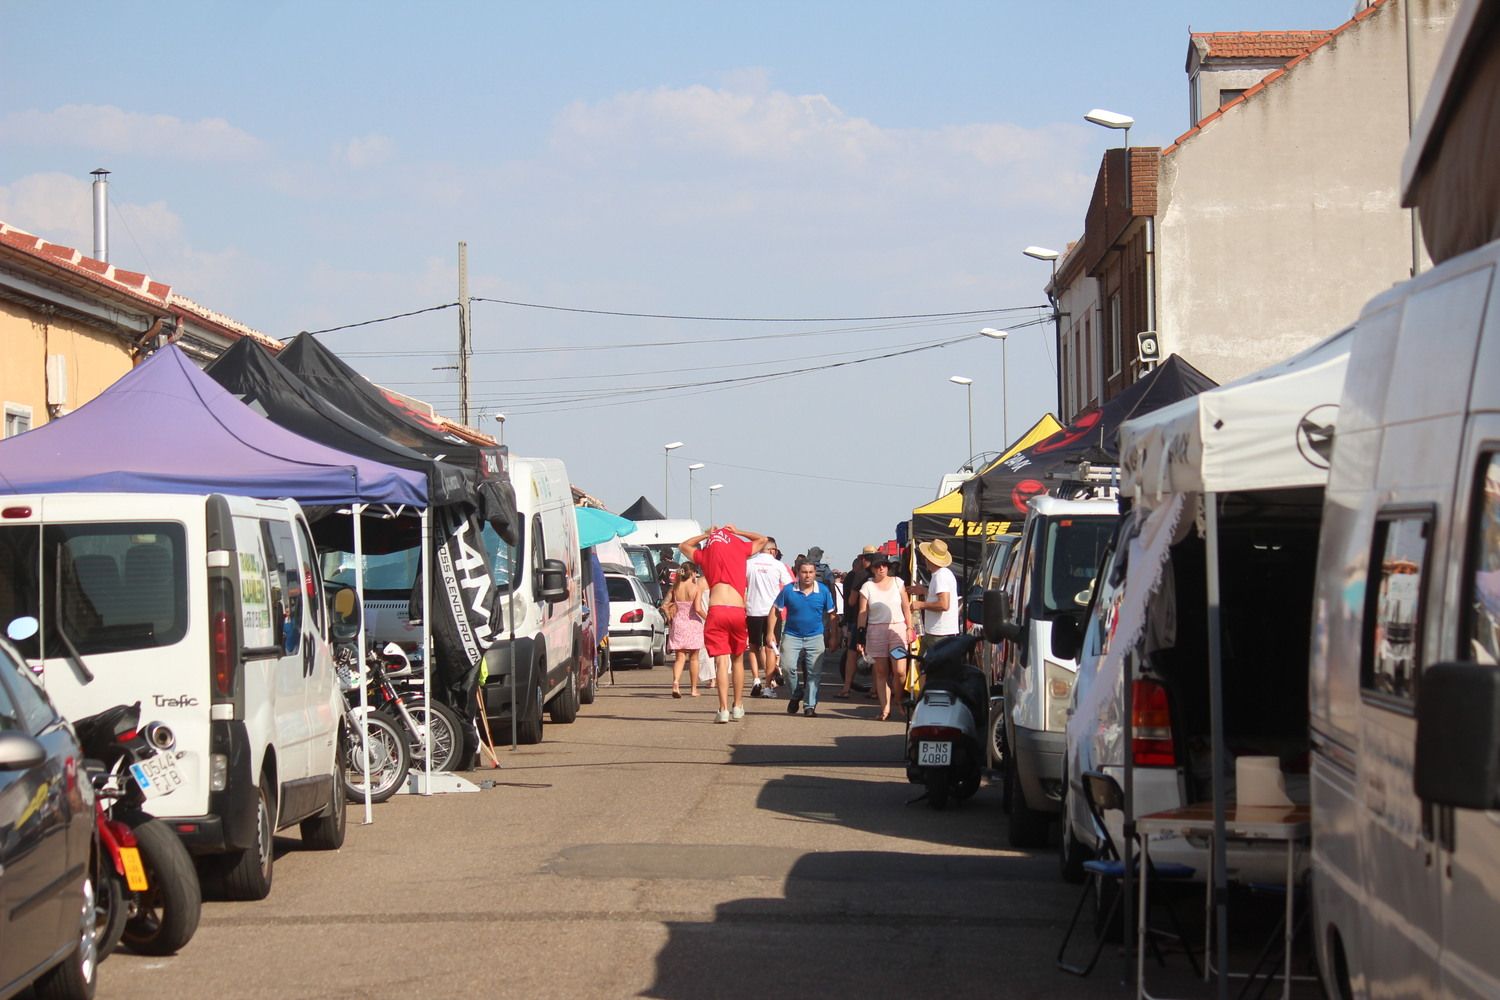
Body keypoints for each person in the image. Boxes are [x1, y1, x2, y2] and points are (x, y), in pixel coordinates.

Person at [680, 523, 770, 723]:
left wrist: (705, 535)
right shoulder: (740, 548)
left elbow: (683, 546)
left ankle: (722, 710)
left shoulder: (706, 555)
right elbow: (762, 540)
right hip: (737, 610)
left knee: (722, 662)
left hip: (717, 609)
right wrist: (739, 532)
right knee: (737, 660)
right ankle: (738, 706)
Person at [774, 558, 839, 717]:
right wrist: (771, 632)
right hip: (791, 635)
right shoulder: (789, 590)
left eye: (810, 572)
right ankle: (796, 693)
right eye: (804, 572)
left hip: (815, 636)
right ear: (798, 573)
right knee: (788, 668)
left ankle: (809, 706)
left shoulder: (823, 591)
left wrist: (833, 636)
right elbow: (775, 611)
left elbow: (832, 615)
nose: (807, 576)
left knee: (814, 673)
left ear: (815, 573)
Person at [854, 552, 914, 721]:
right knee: (881, 672)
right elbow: (862, 612)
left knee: (900, 671)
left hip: (897, 628)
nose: (881, 568)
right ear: (872, 569)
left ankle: (898, 697)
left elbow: (906, 607)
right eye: (878, 566)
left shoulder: (898, 582)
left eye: (884, 565)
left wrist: (910, 628)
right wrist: (860, 635)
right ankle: (885, 708)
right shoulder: (867, 586)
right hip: (876, 630)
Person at [745, 537, 793, 697]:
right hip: (772, 610)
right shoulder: (778, 565)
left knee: (753, 646)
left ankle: (756, 679)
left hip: (753, 609)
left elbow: (741, 584)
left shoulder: (748, 563)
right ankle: (767, 687)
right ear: (773, 550)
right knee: (770, 648)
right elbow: (789, 586)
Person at [837, 546, 876, 697]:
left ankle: (846, 688)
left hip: (858, 620)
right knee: (876, 656)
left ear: (863, 559)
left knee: (852, 654)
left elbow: (852, 601)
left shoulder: (859, 575)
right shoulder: (884, 576)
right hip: (876, 621)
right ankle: (875, 690)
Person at [664, 561, 707, 698]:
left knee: (679, 657)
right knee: (694, 658)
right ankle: (693, 689)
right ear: (693, 573)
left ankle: (676, 682)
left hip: (678, 622)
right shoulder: (695, 588)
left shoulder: (675, 587)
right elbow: (698, 609)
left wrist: (669, 616)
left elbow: (664, 605)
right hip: (693, 623)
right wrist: (709, 618)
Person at [910, 539, 961, 642]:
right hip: (937, 632)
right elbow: (940, 598)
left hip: (940, 634)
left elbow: (944, 605)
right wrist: (924, 591)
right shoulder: (940, 574)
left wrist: (921, 605)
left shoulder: (940, 576)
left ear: (928, 559)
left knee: (928, 658)